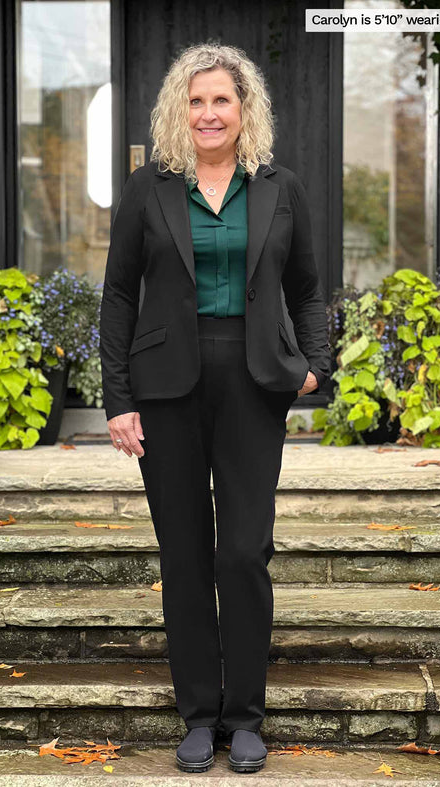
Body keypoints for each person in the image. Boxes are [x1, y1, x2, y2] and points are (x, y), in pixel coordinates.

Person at [99, 42, 331, 774]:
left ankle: (247, 715)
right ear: (180, 109)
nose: (208, 113)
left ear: (244, 109)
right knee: (187, 555)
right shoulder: (149, 188)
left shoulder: (279, 186)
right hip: (166, 385)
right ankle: (200, 715)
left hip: (254, 384)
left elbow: (308, 287)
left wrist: (316, 368)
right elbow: (120, 296)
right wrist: (117, 398)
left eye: (221, 100)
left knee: (242, 551)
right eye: (196, 101)